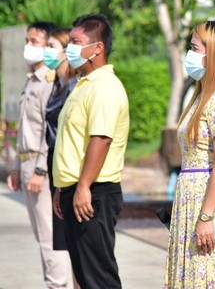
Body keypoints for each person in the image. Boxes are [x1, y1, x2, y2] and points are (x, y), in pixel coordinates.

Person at [163, 20, 215, 289]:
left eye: (194, 48)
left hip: (209, 203)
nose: (190, 54)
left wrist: (206, 217)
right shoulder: (202, 95)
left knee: (207, 273)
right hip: (191, 199)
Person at [52, 14, 129, 289]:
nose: (69, 49)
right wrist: (63, 187)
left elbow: (101, 139)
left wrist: (83, 186)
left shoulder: (104, 86)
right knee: (84, 276)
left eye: (76, 42)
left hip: (94, 191)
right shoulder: (83, 84)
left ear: (97, 47)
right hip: (77, 190)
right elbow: (72, 142)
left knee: (99, 277)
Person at [7, 21, 74, 289]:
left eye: (36, 42)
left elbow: (51, 129)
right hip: (26, 162)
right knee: (41, 234)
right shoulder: (32, 80)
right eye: (28, 41)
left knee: (49, 236)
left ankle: (57, 285)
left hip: (40, 166)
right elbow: (24, 128)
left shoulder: (49, 81)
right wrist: (16, 166)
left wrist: (40, 170)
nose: (30, 46)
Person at [43, 27, 80, 288]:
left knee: (78, 248)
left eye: (51, 46)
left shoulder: (74, 86)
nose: (46, 51)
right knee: (67, 243)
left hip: (70, 168)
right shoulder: (58, 84)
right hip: (56, 166)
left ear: (66, 51)